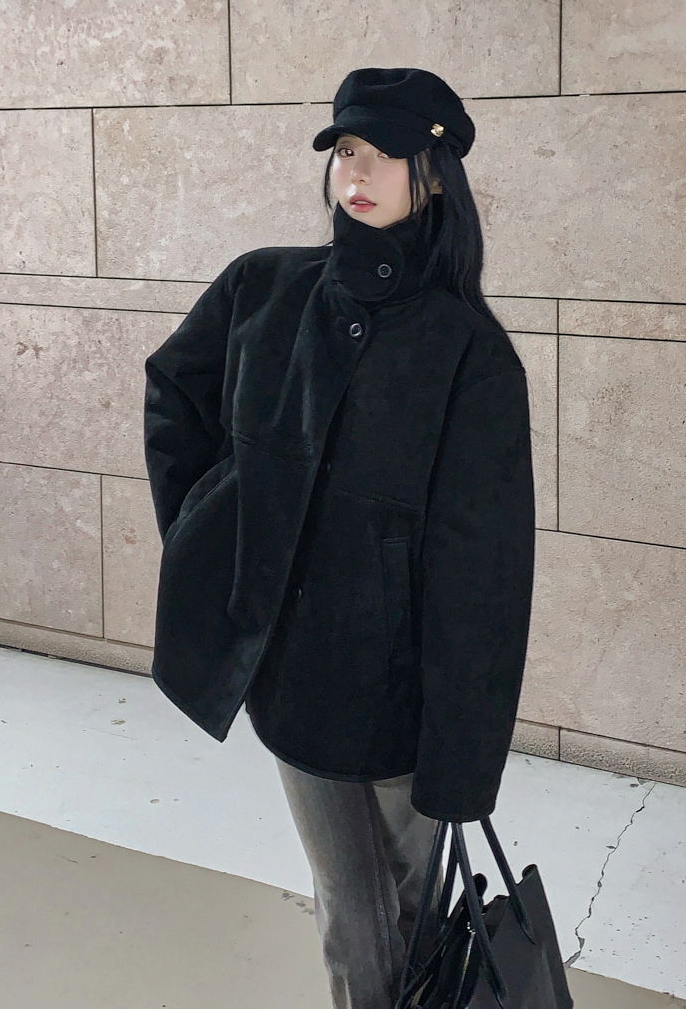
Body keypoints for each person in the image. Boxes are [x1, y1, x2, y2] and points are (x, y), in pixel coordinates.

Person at [142, 67, 536, 1009]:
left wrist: (463, 756)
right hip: (294, 677)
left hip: (406, 701)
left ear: (433, 173)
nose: (357, 173)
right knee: (353, 920)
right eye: (346, 150)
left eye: (383, 154)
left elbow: (484, 573)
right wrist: (214, 534)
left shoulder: (470, 353)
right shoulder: (263, 288)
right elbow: (177, 395)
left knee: (413, 910)